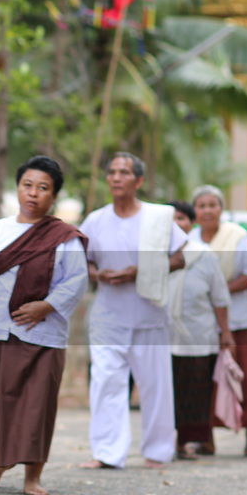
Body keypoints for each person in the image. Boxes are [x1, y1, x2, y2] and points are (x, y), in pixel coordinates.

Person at [0, 156, 87, 495]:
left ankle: (32, 476)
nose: (34, 194)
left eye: (43, 188)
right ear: (18, 187)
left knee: (35, 405)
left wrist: (47, 305)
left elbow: (76, 281)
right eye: (28, 185)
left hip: (42, 333)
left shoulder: (64, 237)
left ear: (53, 197)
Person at [79, 153, 186, 470]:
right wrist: (98, 274)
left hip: (149, 314)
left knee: (155, 386)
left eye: (124, 172)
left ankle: (158, 450)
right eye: (111, 172)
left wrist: (139, 271)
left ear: (138, 181)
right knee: (106, 382)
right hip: (108, 316)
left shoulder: (157, 217)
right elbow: (82, 258)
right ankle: (107, 453)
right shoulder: (96, 220)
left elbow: (180, 258)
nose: (116, 177)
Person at [191, 185, 247, 457]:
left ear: (221, 209)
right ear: (195, 211)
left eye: (213, 205)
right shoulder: (190, 239)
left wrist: (221, 290)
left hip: (239, 322)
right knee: (204, 381)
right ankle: (206, 438)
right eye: (202, 205)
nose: (208, 210)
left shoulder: (237, 236)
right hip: (202, 323)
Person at [167, 200, 234, 461]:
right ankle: (169, 441)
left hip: (198, 335)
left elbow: (219, 298)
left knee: (196, 390)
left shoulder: (204, 255)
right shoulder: (154, 255)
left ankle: (192, 440)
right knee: (169, 390)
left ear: (191, 223)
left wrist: (225, 332)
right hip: (164, 336)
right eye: (171, 219)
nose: (176, 224)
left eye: (182, 218)